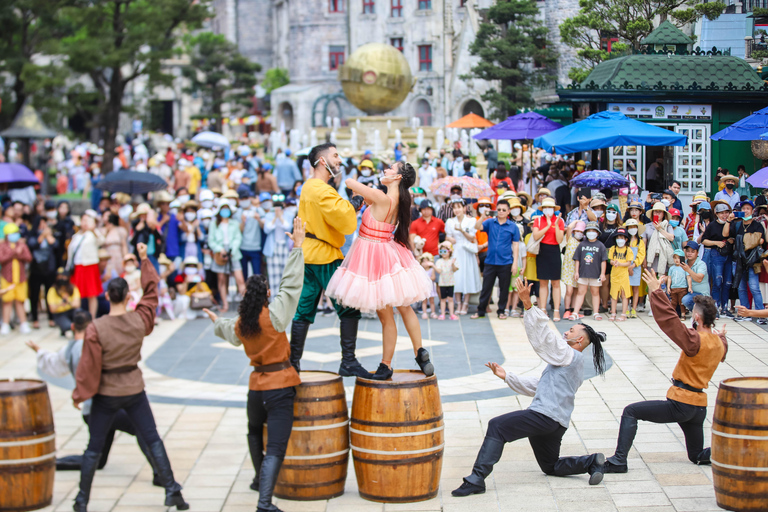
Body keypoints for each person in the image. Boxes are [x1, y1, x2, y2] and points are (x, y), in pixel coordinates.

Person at [452, 277, 607, 497]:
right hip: (557, 423)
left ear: (580, 341)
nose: (566, 333)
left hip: (544, 417)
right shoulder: (572, 362)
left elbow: (546, 339)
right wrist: (508, 376)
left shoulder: (568, 354)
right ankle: (591, 462)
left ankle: (476, 479)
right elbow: (540, 385)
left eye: (571, 331)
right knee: (550, 466)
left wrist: (528, 304)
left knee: (497, 426)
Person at [72, 243, 188, 512]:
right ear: (127, 296)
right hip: (134, 388)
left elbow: (87, 367)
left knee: (93, 448)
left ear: (106, 295)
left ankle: (81, 500)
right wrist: (146, 260)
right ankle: (173, 492)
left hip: (106, 392)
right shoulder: (139, 321)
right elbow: (152, 292)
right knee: (153, 438)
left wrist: (80, 394)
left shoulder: (95, 328)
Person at [204, 217, 305, 511]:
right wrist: (297, 248)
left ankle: (256, 480)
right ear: (268, 295)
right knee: (275, 446)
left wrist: (216, 321)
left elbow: (227, 329)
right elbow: (292, 285)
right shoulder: (274, 316)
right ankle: (264, 503)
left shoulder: (242, 323)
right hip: (279, 387)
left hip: (255, 390)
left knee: (252, 431)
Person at [603, 269, 727, 474]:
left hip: (682, 403)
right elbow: (721, 349)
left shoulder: (695, 340)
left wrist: (656, 291)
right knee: (696, 455)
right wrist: (722, 336)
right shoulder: (719, 342)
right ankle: (732, 451)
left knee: (631, 411)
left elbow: (671, 322)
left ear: (696, 316)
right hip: (698, 408)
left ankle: (619, 461)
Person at [326, 161, 435, 380]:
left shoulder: (382, 196)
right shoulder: (397, 200)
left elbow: (348, 181)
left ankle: (386, 366)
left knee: (387, 318)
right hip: (389, 253)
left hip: (372, 257)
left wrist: (366, 187)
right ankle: (419, 351)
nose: (385, 170)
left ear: (398, 177)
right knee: (405, 308)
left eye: (390, 169)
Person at [26, 309, 159, 479]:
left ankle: (54, 462)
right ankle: (160, 473)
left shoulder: (68, 349)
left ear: (73, 326)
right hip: (105, 407)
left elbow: (53, 364)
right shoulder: (95, 345)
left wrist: (39, 351)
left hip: (91, 411)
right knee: (140, 426)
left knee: (99, 459)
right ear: (93, 325)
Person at [290, 143, 370, 379]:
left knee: (303, 311)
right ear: (323, 161)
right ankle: (348, 361)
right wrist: (355, 203)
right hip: (324, 255)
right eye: (335, 156)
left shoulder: (311, 186)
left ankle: (292, 363)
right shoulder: (319, 189)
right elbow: (345, 219)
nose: (339, 159)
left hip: (310, 253)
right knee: (348, 308)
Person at [472, 199, 520, 320]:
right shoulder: (490, 223)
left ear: (509, 211)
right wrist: (483, 216)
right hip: (490, 261)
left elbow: (515, 245)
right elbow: (477, 226)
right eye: (499, 209)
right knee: (486, 288)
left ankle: (501, 311)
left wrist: (515, 263)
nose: (501, 212)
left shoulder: (513, 227)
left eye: (504, 210)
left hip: (506, 262)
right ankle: (481, 310)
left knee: (504, 289)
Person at [445, 199, 481, 315]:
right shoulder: (450, 221)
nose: (457, 210)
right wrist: (450, 239)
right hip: (456, 251)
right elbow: (447, 237)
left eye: (459, 207)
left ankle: (465, 303)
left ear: (464, 208)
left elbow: (472, 238)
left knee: (468, 275)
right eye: (454, 208)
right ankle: (458, 303)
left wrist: (461, 230)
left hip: (467, 251)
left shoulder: (470, 221)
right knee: (457, 276)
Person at [208, 202, 245, 312]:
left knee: (240, 279)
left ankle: (245, 304)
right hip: (220, 253)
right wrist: (220, 250)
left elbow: (238, 238)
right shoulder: (214, 224)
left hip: (234, 252)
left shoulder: (234, 223)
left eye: (226, 209)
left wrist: (233, 249)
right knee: (222, 279)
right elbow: (211, 240)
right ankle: (225, 304)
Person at [532, 198, 565, 320]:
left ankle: (556, 310)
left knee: (556, 282)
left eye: (550, 208)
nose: (548, 210)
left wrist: (555, 225)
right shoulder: (538, 220)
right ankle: (543, 309)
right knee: (543, 282)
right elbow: (536, 235)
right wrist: (548, 226)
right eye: (545, 207)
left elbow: (560, 239)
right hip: (542, 251)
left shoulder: (560, 221)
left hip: (554, 251)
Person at [569, 222, 607, 321]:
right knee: (581, 292)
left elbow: (603, 261)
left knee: (595, 292)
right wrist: (576, 272)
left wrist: (603, 273)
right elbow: (577, 259)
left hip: (596, 274)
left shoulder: (600, 246)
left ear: (597, 233)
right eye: (589, 231)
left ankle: (596, 312)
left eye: (593, 231)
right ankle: (575, 312)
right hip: (583, 273)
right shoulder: (582, 244)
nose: (591, 233)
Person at [701, 201, 734, 318]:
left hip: (729, 255)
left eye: (726, 212)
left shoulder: (731, 223)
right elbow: (703, 240)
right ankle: (715, 308)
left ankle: (724, 307)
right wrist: (716, 243)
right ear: (716, 214)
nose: (724, 215)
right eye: (721, 213)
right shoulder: (712, 225)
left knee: (727, 282)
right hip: (716, 254)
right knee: (717, 282)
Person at [0, 223, 32, 334]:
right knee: (7, 302)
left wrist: (19, 253)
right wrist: (14, 252)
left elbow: (28, 257)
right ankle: (5, 324)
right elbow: (1, 258)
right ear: (7, 235)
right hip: (7, 278)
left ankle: (23, 324)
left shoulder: (22, 245)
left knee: (20, 302)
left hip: (21, 278)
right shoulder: (2, 245)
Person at [263, 197, 295, 298]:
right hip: (273, 248)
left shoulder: (288, 215)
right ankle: (274, 299)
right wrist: (274, 218)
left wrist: (280, 217)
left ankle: (285, 298)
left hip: (285, 247)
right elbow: (267, 229)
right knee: (273, 275)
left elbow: (288, 228)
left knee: (285, 274)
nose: (277, 211)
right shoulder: (269, 216)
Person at [238, 190, 265, 279]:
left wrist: (259, 219)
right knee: (243, 275)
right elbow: (238, 231)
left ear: (249, 199)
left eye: (246, 198)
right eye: (242, 198)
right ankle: (244, 292)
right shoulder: (238, 213)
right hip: (242, 247)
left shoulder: (258, 210)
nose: (245, 200)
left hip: (255, 247)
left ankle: (258, 292)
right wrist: (243, 222)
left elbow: (264, 227)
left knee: (257, 275)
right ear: (239, 200)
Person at [562, 220, 585, 320]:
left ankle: (574, 309)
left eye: (581, 232)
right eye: (577, 231)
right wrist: (576, 221)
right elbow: (569, 228)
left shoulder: (583, 243)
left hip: (578, 269)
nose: (579, 233)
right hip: (568, 269)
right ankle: (567, 309)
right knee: (569, 290)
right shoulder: (570, 239)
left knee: (576, 290)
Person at [608, 228, 633, 321]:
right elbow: (610, 260)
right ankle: (613, 313)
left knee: (624, 294)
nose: (620, 240)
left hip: (624, 275)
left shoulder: (628, 250)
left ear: (626, 239)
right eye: (618, 238)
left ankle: (623, 314)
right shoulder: (613, 249)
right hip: (614, 275)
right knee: (614, 295)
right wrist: (613, 263)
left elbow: (628, 263)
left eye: (622, 238)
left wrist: (620, 264)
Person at [624, 219, 646, 318]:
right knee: (626, 288)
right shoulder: (625, 241)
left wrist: (634, 265)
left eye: (634, 227)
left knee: (636, 288)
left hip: (636, 268)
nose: (632, 229)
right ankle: (626, 308)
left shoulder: (640, 241)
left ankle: (634, 308)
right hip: (625, 267)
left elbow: (641, 255)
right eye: (630, 227)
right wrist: (628, 266)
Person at [434, 241, 459, 320]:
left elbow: (455, 269)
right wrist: (433, 266)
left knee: (450, 299)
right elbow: (439, 271)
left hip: (450, 282)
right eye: (441, 251)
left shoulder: (452, 261)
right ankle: (442, 314)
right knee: (443, 299)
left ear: (449, 252)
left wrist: (453, 264)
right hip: (442, 283)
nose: (443, 253)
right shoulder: (439, 261)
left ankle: (452, 314)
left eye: (445, 251)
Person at [668, 250, 693, 319]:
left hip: (682, 288)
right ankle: (672, 314)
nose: (676, 260)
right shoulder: (671, 268)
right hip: (673, 288)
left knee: (681, 302)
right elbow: (669, 278)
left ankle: (683, 314)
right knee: (673, 302)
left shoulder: (684, 267)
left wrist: (689, 287)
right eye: (675, 258)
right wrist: (668, 287)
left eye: (678, 258)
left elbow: (688, 277)